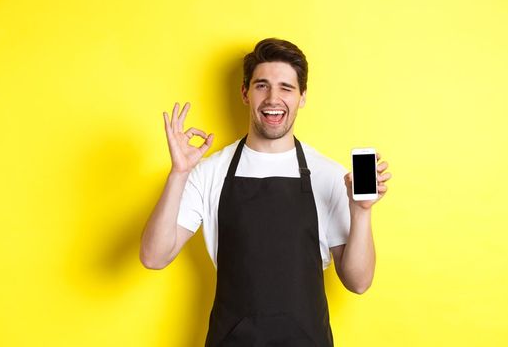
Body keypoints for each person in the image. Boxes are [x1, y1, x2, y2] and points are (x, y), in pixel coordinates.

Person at [140, 38, 391, 346]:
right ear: (245, 93)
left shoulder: (330, 176)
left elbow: (359, 281)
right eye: (262, 86)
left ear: (302, 97)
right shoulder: (210, 172)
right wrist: (179, 174)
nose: (274, 98)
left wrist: (361, 212)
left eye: (286, 88)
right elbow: (154, 256)